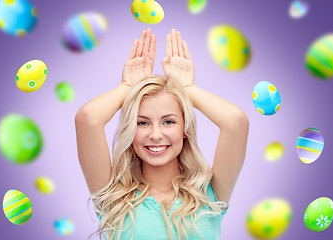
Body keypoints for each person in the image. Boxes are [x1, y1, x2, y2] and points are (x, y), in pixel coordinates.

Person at [75, 28, 249, 240]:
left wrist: (187, 87)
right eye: (142, 123)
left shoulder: (210, 194)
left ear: (185, 129)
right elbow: (88, 118)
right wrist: (127, 86)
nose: (155, 135)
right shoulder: (113, 198)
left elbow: (236, 122)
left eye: (168, 121)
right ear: (130, 129)